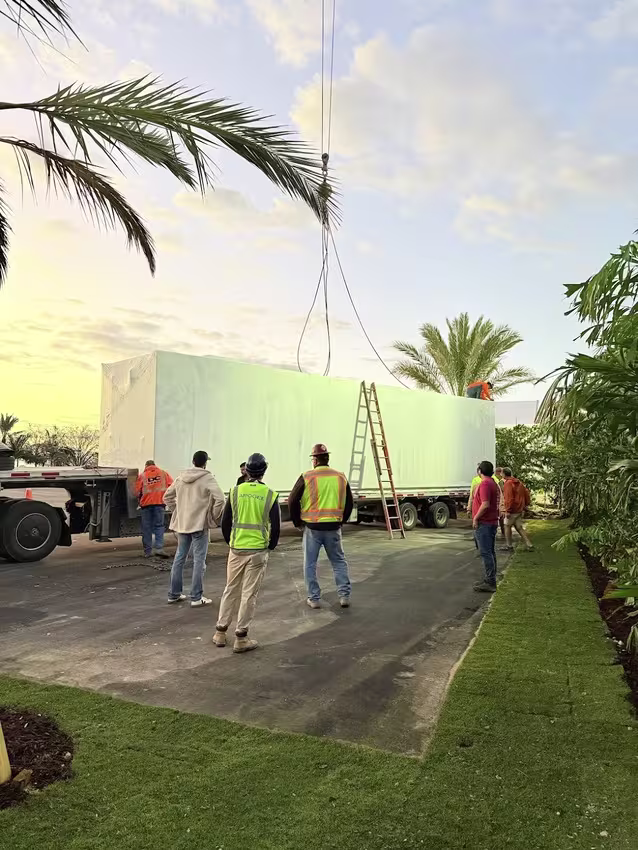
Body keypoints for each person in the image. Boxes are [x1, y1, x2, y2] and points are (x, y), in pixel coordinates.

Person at [213, 453, 280, 653]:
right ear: (263, 472)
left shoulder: (235, 492)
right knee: (249, 594)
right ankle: (241, 638)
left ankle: (220, 633)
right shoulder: (269, 494)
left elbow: (225, 522)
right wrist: (270, 546)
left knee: (230, 589)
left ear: (247, 471)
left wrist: (231, 542)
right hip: (258, 551)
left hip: (237, 549)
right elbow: (276, 527)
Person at [288, 443, 354, 609]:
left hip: (313, 528)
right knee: (339, 562)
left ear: (315, 460)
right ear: (327, 458)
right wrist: (341, 520)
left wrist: (297, 522)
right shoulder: (341, 477)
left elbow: (292, 500)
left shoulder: (307, 476)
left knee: (310, 564)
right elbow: (350, 503)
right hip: (334, 528)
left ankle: (314, 599)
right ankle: (344, 596)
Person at [164, 450, 225, 607]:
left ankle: (173, 594)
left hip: (182, 525)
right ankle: (196, 597)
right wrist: (213, 515)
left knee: (179, 558)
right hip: (199, 525)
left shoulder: (180, 477)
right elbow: (220, 499)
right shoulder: (207, 477)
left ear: (193, 461)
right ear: (205, 463)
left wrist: (177, 511)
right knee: (199, 560)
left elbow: (167, 497)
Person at [135, 460, 173, 558]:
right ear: (154, 465)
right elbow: (172, 487)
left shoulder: (142, 476)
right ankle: (159, 549)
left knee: (146, 528)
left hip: (146, 505)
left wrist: (140, 499)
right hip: (160, 504)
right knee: (159, 526)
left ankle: (148, 552)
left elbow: (137, 491)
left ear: (146, 465)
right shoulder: (164, 473)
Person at [472, 460, 500, 593]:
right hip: (491, 522)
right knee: (490, 551)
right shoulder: (492, 483)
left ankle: (490, 581)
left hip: (485, 523)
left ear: (480, 471)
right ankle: (491, 578)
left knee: (485, 552)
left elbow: (485, 504)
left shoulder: (485, 484)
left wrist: (476, 518)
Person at [501, 467, 533, 552]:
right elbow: (526, 493)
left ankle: (509, 546)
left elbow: (509, 498)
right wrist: (525, 505)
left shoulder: (508, 483)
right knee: (519, 527)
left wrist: (507, 510)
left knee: (507, 526)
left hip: (512, 510)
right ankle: (529, 544)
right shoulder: (519, 482)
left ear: (504, 474)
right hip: (519, 509)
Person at [494, 466, 506, 538]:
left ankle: (503, 532)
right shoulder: (501, 481)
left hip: (500, 501)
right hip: (501, 501)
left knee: (500, 518)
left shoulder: (500, 481)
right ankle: (503, 532)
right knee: (502, 518)